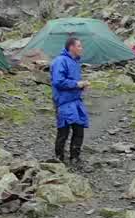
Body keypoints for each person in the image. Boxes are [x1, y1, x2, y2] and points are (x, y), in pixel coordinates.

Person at [50, 37, 90, 168]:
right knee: (64, 131)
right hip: (63, 101)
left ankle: (75, 157)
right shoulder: (60, 61)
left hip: (75, 100)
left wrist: (81, 86)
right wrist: (77, 84)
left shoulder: (74, 62)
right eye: (79, 46)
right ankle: (59, 158)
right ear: (71, 47)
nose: (81, 48)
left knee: (79, 130)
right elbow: (58, 81)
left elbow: (71, 81)